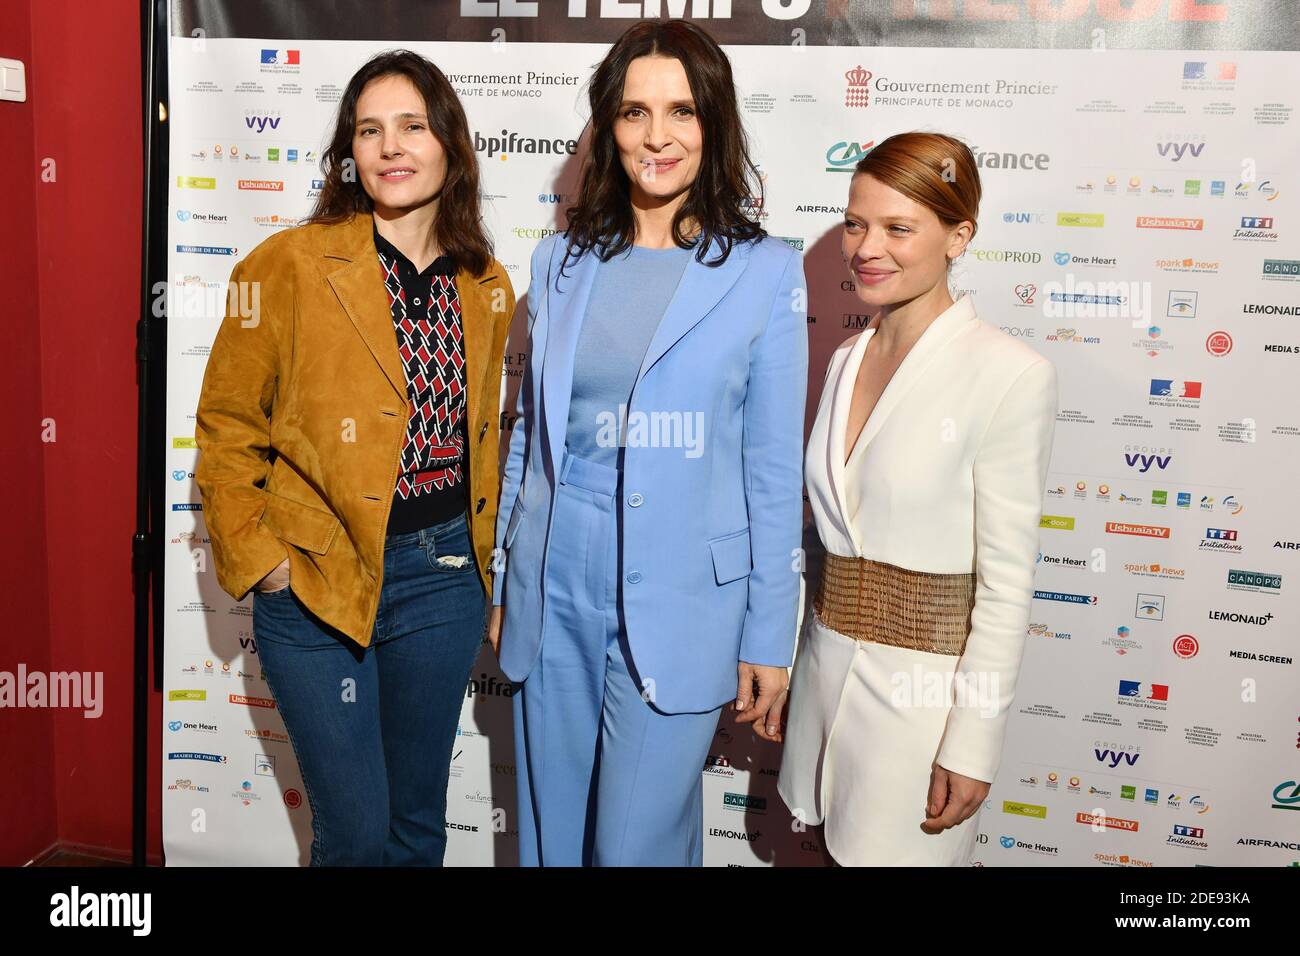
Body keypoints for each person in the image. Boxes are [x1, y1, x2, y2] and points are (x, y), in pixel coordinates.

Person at [486, 19, 807, 867]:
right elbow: (528, 436)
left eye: (681, 112)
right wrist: (500, 570)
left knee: (638, 846)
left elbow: (773, 472)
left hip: (681, 596)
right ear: (608, 124)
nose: (656, 137)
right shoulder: (559, 261)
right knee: (551, 838)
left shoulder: (768, 272)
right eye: (634, 113)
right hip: (552, 582)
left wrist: (768, 634)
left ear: (715, 123)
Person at [194, 50, 515, 866]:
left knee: (416, 823)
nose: (390, 147)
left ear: (450, 142)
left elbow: (487, 439)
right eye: (369, 130)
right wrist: (263, 561)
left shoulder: (485, 284)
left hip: (440, 578)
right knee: (356, 833)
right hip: (314, 581)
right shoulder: (289, 266)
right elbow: (228, 424)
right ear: (349, 151)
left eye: (412, 125)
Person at [777, 131, 1058, 866]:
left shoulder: (1008, 373)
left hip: (922, 721)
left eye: (899, 228)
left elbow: (1005, 584)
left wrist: (974, 742)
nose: (868, 247)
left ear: (959, 234)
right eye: (856, 223)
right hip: (823, 697)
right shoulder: (844, 357)